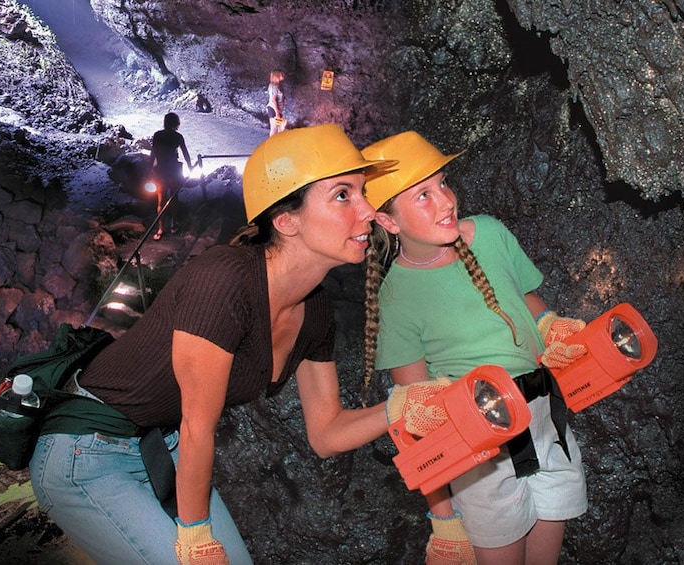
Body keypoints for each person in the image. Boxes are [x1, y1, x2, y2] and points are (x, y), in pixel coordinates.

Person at [29, 124, 404, 564]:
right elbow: (197, 425)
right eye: (344, 195)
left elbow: (325, 434)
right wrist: (194, 535)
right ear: (286, 221)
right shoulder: (224, 278)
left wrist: (400, 408)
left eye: (363, 192)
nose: (367, 210)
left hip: (162, 446)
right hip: (86, 450)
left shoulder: (315, 309)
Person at [361, 131, 589, 565]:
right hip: (481, 449)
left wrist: (550, 325)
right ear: (388, 221)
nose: (445, 201)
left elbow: (524, 297)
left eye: (443, 183)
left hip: (546, 422)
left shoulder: (489, 233)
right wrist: (443, 518)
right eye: (422, 196)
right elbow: (417, 417)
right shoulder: (396, 296)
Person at [150, 112, 192, 239]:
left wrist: (149, 169)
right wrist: (190, 167)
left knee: (161, 200)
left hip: (161, 170)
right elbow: (185, 153)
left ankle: (160, 228)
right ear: (176, 123)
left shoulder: (158, 135)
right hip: (173, 170)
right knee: (174, 198)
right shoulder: (178, 137)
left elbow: (154, 153)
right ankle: (173, 224)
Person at [266, 70, 286, 136]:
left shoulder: (278, 86)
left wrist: (284, 99)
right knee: (274, 128)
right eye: (280, 74)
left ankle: (277, 143)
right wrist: (277, 113)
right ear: (276, 76)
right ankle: (271, 144)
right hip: (273, 109)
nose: (282, 75)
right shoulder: (273, 86)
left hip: (277, 110)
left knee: (280, 128)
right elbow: (273, 100)